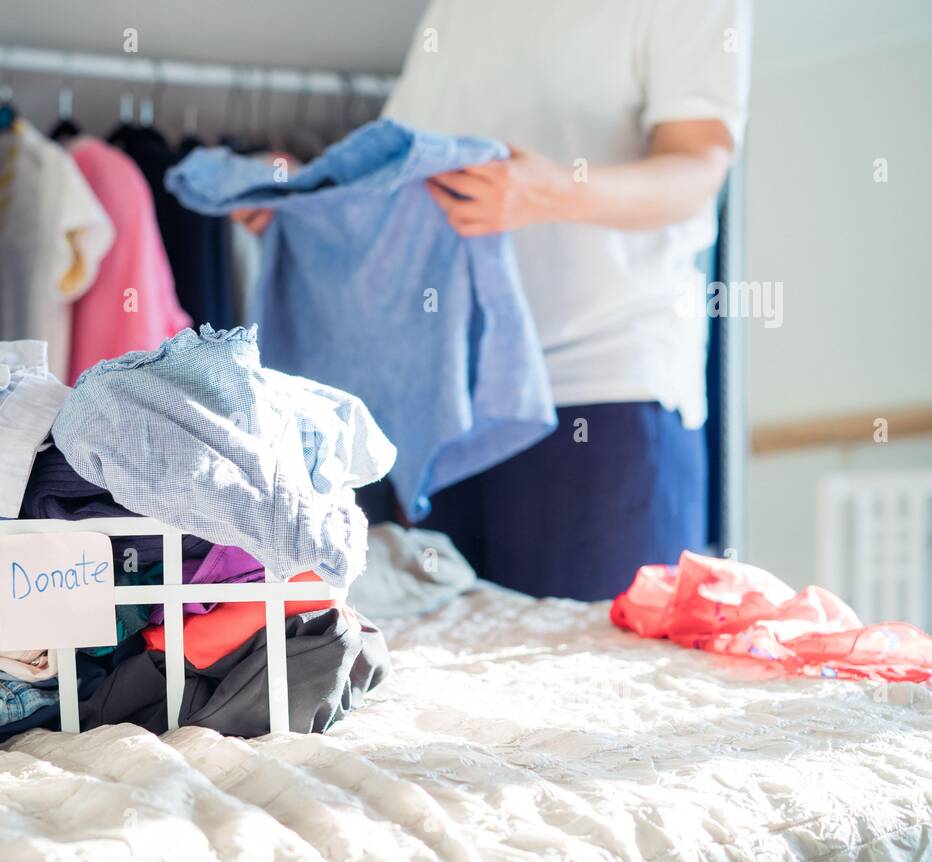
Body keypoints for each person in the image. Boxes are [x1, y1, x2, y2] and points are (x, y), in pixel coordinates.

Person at [234, 0, 751, 601]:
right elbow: (405, 180)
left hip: (601, 393)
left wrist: (558, 192)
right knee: (441, 675)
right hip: (449, 405)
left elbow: (701, 166)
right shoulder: (455, 12)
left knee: (592, 677)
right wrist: (307, 199)